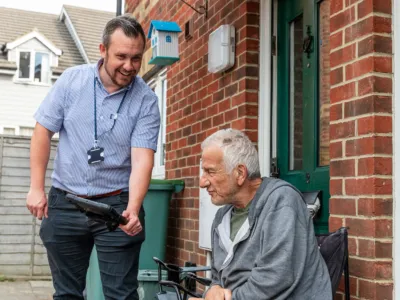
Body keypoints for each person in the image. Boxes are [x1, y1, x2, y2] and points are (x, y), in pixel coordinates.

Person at [26, 14, 160, 300]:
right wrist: (36, 188)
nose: (129, 66)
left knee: (121, 295)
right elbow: (41, 132)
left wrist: (134, 209)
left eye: (136, 58)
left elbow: (142, 160)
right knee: (66, 294)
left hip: (117, 205)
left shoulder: (146, 100)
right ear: (102, 50)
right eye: (121, 56)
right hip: (66, 200)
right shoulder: (72, 81)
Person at [193, 129, 332, 300]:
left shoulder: (281, 202)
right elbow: (218, 275)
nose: (202, 182)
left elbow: (275, 278)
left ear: (240, 173)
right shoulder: (222, 217)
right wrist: (214, 288)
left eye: (210, 172)